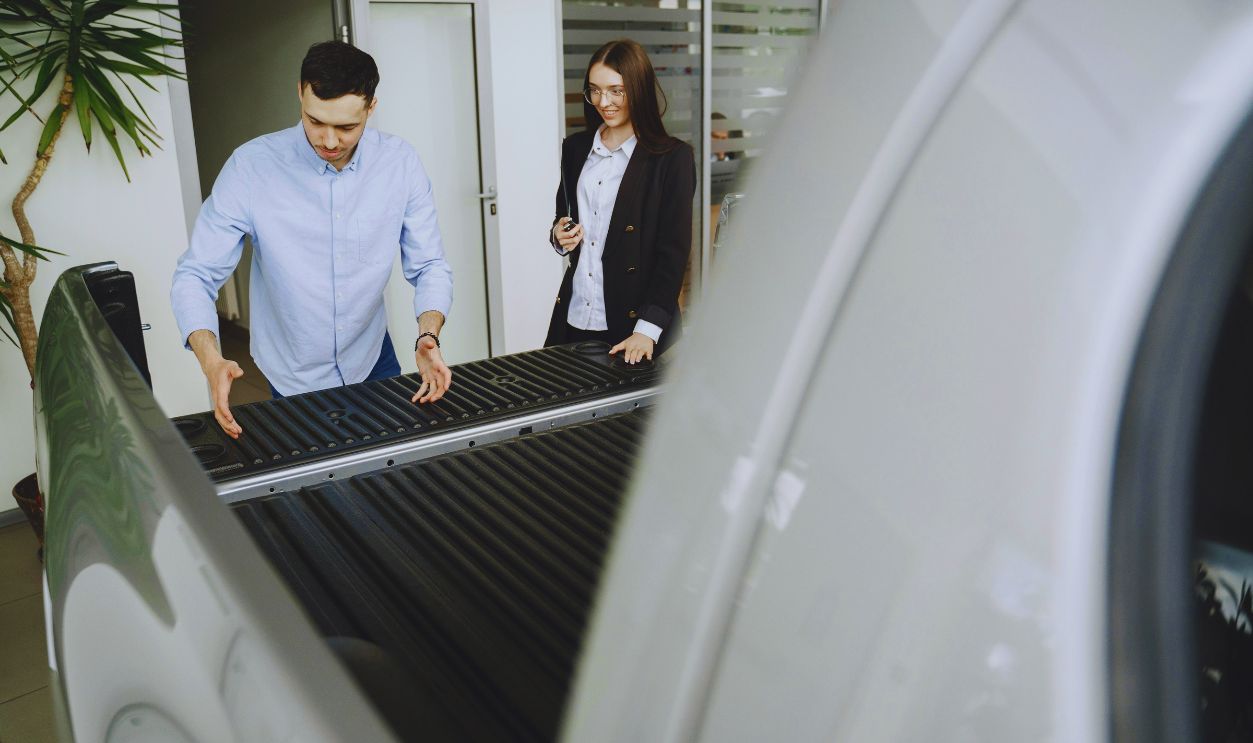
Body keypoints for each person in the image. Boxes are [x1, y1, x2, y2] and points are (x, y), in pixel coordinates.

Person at [172, 41, 453, 439]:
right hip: (292, 374)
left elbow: (430, 267)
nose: (330, 141)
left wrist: (428, 335)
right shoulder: (250, 168)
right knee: (317, 489)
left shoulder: (400, 164)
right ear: (300, 92)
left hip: (373, 357)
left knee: (390, 478)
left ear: (371, 108)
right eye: (315, 120)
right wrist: (210, 359)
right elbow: (195, 274)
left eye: (347, 127)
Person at [546, 39, 695, 364]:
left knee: (630, 416)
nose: (604, 102)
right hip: (574, 317)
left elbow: (673, 252)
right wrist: (559, 236)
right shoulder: (575, 148)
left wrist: (648, 328)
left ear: (638, 90)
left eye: (616, 90)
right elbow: (564, 215)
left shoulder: (672, 158)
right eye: (595, 90)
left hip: (635, 328)